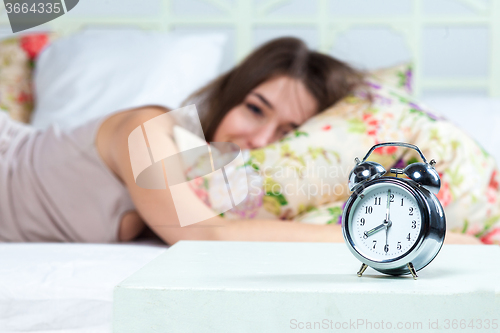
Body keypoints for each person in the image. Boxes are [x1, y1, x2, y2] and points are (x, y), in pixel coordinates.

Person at [0, 37, 480, 245]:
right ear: (229, 95)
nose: (259, 140)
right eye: (254, 108)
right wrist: (435, 238)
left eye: (290, 134)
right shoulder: (151, 128)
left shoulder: (230, 189)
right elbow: (206, 235)